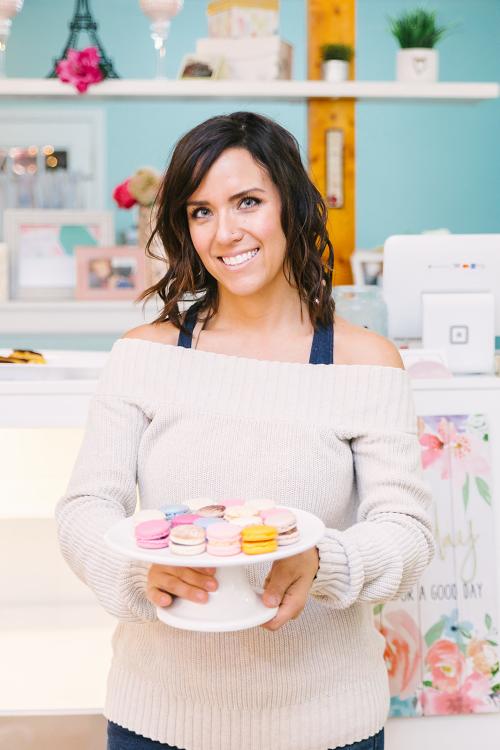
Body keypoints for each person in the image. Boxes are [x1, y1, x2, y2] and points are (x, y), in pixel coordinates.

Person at [56, 111, 434, 750]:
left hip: (328, 722)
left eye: (248, 202)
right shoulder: (143, 354)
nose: (225, 232)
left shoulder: (366, 361)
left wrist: (323, 563)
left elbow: (408, 532)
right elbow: (85, 508)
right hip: (159, 719)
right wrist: (135, 574)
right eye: (201, 212)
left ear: (292, 205)